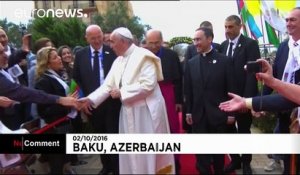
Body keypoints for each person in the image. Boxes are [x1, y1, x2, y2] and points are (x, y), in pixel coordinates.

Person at [79, 27, 175, 174]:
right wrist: (90, 99)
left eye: (113, 42)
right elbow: (107, 86)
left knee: (147, 152)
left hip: (146, 114)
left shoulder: (145, 56)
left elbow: (148, 85)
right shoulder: (119, 61)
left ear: (123, 42)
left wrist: (122, 92)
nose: (110, 46)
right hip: (128, 112)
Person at [184, 27, 235, 174]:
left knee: (218, 152)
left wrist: (231, 113)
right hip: (198, 115)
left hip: (218, 114)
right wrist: (188, 112)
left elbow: (231, 88)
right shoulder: (191, 63)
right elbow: (188, 89)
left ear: (210, 39)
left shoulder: (225, 61)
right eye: (194, 40)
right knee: (201, 152)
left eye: (198, 39)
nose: (195, 43)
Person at [73, 24, 121, 175]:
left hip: (112, 103)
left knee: (113, 136)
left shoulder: (112, 52)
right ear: (86, 38)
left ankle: (117, 167)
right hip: (91, 105)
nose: (97, 40)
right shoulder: (80, 55)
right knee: (100, 137)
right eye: (93, 38)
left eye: (99, 36)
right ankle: (106, 166)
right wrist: (82, 101)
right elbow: (76, 80)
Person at [219, 15, 261, 175]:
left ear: (240, 27)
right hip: (227, 100)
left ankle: (246, 163)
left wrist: (246, 101)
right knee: (229, 132)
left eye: (230, 27)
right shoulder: (222, 46)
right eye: (225, 27)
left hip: (243, 98)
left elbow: (252, 74)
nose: (227, 30)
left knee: (244, 132)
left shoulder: (250, 44)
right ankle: (235, 160)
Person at [0, 43, 78, 118]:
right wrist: (61, 101)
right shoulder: (43, 81)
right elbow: (21, 92)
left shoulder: (60, 75)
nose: (6, 55)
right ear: (47, 63)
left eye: (4, 51)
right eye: (0, 53)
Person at [34, 46, 77, 174]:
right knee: (56, 165)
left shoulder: (57, 76)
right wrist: (64, 102)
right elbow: (43, 111)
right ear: (47, 63)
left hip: (63, 125)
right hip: (53, 130)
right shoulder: (43, 81)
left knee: (64, 162)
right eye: (55, 57)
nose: (59, 58)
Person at [145, 29, 183, 173]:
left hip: (168, 94)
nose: (154, 46)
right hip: (148, 95)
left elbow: (179, 79)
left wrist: (179, 100)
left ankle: (175, 160)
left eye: (156, 43)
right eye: (150, 43)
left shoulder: (171, 55)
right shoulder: (142, 56)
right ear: (146, 42)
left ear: (161, 41)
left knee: (172, 128)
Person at [219, 59, 300, 112]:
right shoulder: (284, 46)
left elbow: (296, 96)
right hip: (283, 116)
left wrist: (247, 102)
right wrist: (250, 102)